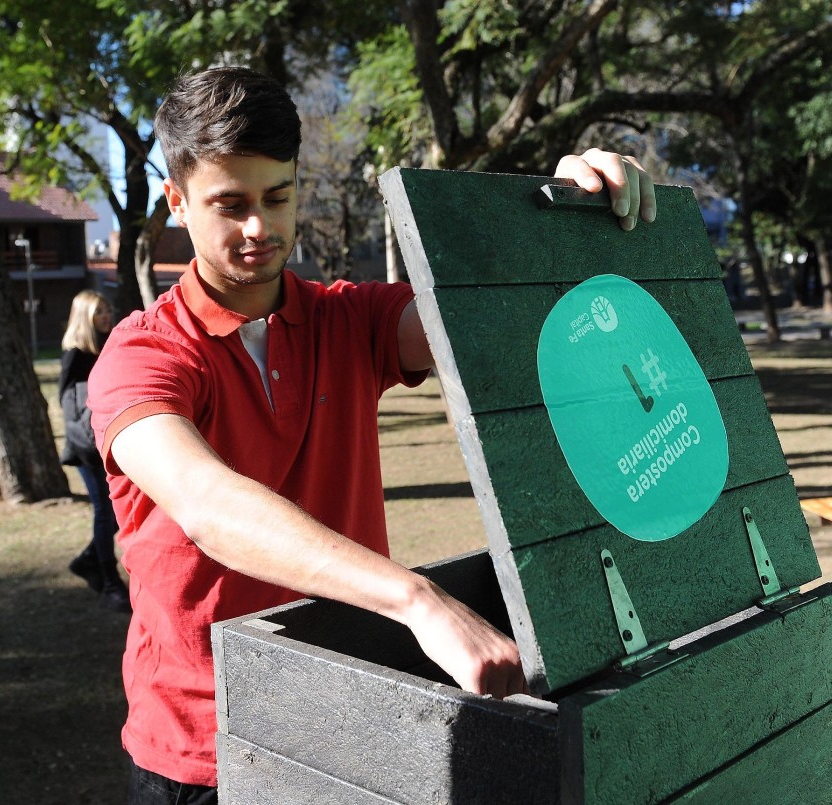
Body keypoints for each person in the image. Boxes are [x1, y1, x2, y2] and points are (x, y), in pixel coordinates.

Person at [88, 66, 655, 802]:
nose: (260, 227)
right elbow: (207, 505)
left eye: (278, 196)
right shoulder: (143, 353)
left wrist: (573, 211)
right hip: (203, 746)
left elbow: (504, 317)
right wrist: (418, 601)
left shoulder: (344, 318)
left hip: (347, 714)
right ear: (177, 201)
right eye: (230, 204)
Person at [59, 290, 130, 613]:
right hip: (87, 447)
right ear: (84, 316)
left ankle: (88, 560)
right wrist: (84, 443)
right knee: (105, 511)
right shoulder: (76, 353)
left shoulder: (110, 345)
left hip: (108, 440)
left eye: (107, 309)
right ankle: (109, 580)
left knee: (114, 511)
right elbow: (68, 403)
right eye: (98, 311)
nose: (105, 315)